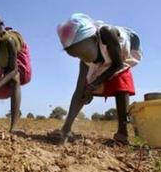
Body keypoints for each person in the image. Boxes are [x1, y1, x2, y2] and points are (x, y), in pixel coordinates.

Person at [55, 13, 142, 145]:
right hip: (105, 59)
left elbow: (117, 64)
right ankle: (67, 128)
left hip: (123, 53)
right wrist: (66, 128)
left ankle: (122, 134)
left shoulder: (107, 33)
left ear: (95, 40)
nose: (84, 59)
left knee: (121, 81)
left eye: (84, 54)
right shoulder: (85, 60)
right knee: (84, 89)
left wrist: (95, 82)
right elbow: (78, 91)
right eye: (78, 56)